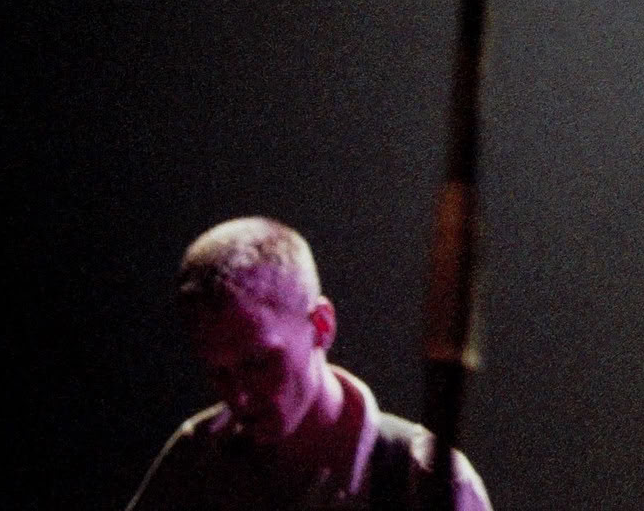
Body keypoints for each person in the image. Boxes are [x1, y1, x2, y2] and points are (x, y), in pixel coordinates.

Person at [126, 217, 492, 511]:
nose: (239, 397)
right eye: (219, 372)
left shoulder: (427, 482)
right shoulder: (194, 460)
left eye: (258, 363)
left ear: (321, 325)